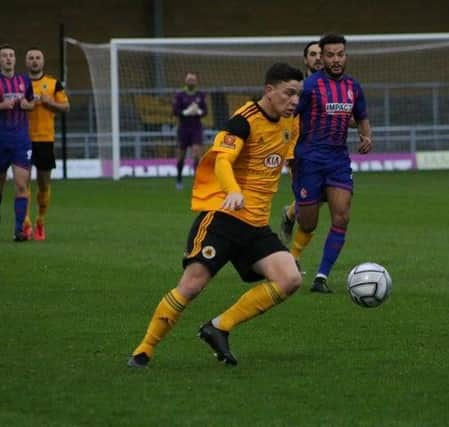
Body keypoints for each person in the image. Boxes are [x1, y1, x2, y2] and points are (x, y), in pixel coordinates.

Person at [128, 62, 304, 368]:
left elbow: (290, 159)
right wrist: (233, 190)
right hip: (224, 218)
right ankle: (144, 350)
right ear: (269, 90)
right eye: (289, 94)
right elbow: (223, 161)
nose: (294, 101)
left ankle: (219, 327)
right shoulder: (243, 120)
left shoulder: (293, 121)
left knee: (289, 278)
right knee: (193, 284)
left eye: (297, 95)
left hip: (256, 226)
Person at [291, 33, 373, 293]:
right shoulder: (310, 86)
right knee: (308, 223)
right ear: (322, 57)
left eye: (340, 54)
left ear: (345, 56)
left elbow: (361, 116)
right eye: (330, 55)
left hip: (338, 160)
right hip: (309, 160)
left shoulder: (353, 86)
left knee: (341, 217)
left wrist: (366, 135)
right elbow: (288, 114)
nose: (336, 60)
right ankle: (291, 251)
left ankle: (321, 277)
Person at [22, 48, 70, 241]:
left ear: (43, 61)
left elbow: (66, 107)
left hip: (45, 139)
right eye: (31, 58)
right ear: (26, 62)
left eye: (38, 58)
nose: (34, 61)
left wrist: (50, 103)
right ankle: (25, 223)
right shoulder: (20, 83)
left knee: (43, 184)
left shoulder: (53, 83)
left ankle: (40, 221)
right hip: (22, 139)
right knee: (22, 183)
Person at [279, 41, 323, 247]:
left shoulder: (334, 87)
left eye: (321, 54)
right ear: (306, 59)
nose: (318, 58)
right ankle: (293, 258)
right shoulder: (297, 86)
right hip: (298, 150)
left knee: (319, 196)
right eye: (313, 54)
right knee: (311, 201)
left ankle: (289, 214)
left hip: (325, 150)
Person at [0, 45, 35, 241]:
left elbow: (31, 103)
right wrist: (3, 105)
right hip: (0, 139)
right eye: (4, 56)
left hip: (21, 140)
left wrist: (26, 105)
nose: (8, 58)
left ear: (15, 59)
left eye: (11, 55)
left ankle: (19, 229)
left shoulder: (24, 80)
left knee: (22, 184)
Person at [172, 72, 208, 190]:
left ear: (196, 81)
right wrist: (186, 112)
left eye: (193, 80)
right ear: (185, 81)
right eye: (189, 80)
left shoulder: (201, 95)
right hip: (183, 128)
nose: (191, 82)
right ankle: (179, 179)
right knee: (181, 156)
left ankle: (197, 181)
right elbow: (175, 111)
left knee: (197, 153)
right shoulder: (180, 95)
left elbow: (205, 111)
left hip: (196, 128)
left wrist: (198, 111)